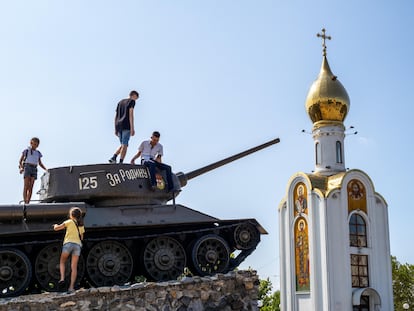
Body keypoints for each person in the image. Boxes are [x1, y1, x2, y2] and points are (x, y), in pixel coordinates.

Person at [53, 207, 85, 293]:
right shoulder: (81, 225)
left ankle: (62, 278)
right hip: (77, 245)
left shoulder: (68, 222)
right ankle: (71, 288)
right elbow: (82, 237)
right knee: (74, 267)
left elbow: (57, 228)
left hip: (68, 244)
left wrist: (55, 225)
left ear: (71, 215)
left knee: (62, 261)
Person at [109, 90, 139, 164]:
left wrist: (115, 128)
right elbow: (131, 114)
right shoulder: (132, 101)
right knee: (125, 145)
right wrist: (132, 128)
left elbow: (116, 116)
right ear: (133, 95)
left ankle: (114, 157)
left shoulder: (120, 102)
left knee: (123, 144)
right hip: (126, 125)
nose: (136, 100)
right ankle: (121, 162)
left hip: (118, 125)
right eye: (136, 98)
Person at [18, 137, 47, 204]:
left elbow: (40, 163)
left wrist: (46, 169)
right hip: (27, 167)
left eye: (37, 144)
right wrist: (21, 168)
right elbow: (20, 161)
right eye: (34, 143)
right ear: (31, 143)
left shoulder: (38, 153)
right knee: (26, 186)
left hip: (34, 168)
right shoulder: (26, 151)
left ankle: (28, 202)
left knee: (31, 187)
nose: (35, 145)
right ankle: (25, 201)